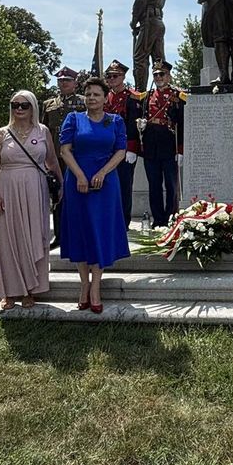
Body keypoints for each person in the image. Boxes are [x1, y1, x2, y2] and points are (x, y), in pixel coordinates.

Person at [59, 76, 130, 313]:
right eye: (88, 94)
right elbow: (65, 150)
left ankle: (96, 287)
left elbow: (120, 151)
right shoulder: (74, 119)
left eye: (96, 94)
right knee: (81, 232)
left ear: (105, 97)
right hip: (77, 181)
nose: (91, 98)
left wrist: (102, 172)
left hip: (105, 183)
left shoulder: (115, 121)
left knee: (100, 232)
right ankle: (83, 285)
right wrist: (79, 175)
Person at [0, 90, 61, 310]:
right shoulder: (2, 134)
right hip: (7, 188)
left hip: (35, 188)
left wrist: (61, 185)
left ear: (33, 108)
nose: (19, 109)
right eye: (15, 105)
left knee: (34, 236)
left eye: (24, 105)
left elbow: (52, 160)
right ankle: (8, 292)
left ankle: (31, 289)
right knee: (8, 239)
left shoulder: (43, 130)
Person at [41, 66, 86, 247]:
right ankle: (59, 235)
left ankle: (79, 234)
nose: (63, 83)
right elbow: (44, 131)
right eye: (60, 80)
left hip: (76, 157)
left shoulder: (83, 103)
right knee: (57, 197)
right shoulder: (49, 104)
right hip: (55, 158)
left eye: (67, 80)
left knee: (78, 196)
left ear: (75, 83)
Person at [139, 60, 186, 228]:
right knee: (154, 185)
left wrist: (180, 149)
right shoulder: (147, 96)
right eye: (156, 75)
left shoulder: (178, 96)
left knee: (171, 185)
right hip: (151, 146)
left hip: (169, 144)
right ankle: (158, 219)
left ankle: (171, 217)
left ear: (169, 76)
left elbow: (182, 123)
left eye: (162, 74)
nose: (158, 77)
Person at [104, 59, 141, 228]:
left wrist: (131, 148)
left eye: (115, 76)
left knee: (124, 187)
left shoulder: (131, 97)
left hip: (124, 150)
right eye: (109, 76)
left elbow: (134, 124)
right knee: (108, 186)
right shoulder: (106, 97)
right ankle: (110, 219)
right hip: (106, 150)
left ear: (123, 77)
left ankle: (123, 222)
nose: (111, 79)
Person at [130, 0, 169, 92]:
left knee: (140, 58)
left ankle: (140, 92)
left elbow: (139, 2)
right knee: (158, 59)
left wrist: (134, 21)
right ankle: (163, 89)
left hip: (149, 21)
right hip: (158, 22)